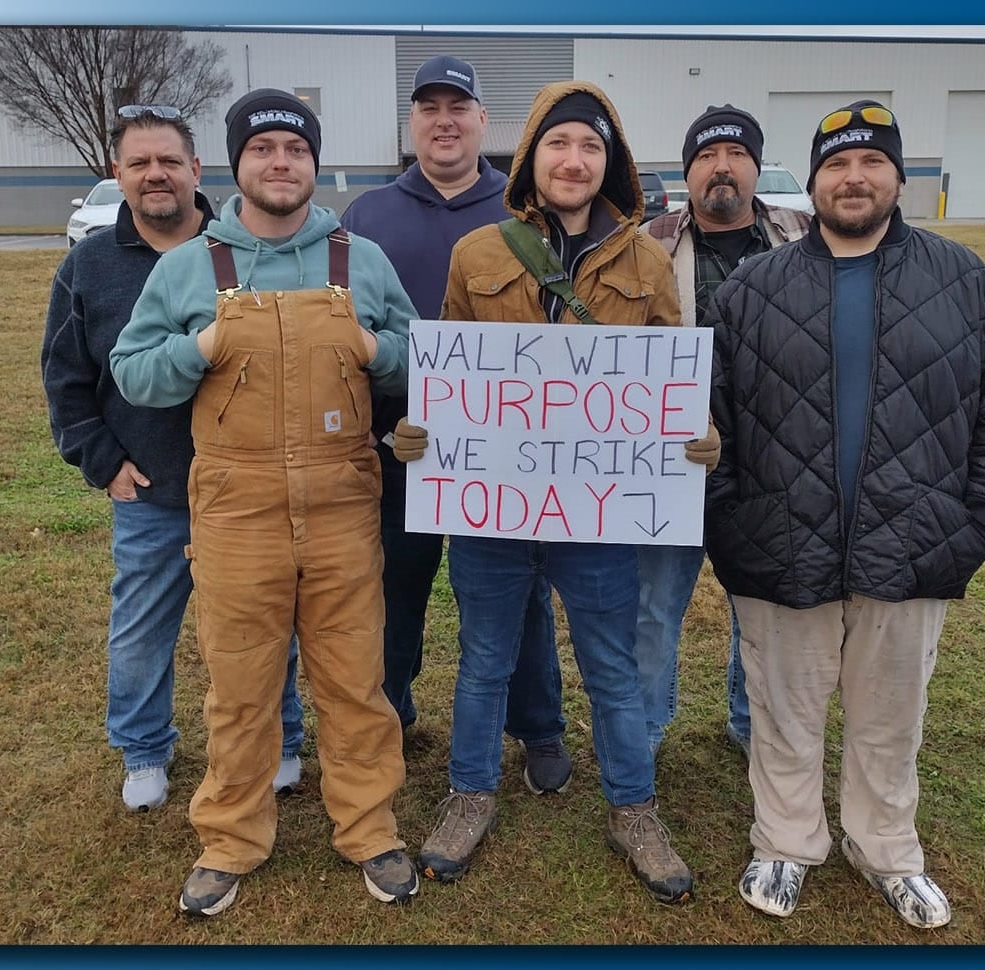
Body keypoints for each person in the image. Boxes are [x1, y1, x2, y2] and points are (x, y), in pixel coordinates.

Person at [703, 99, 985, 928]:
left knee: (892, 719)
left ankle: (885, 847)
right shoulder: (753, 288)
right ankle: (784, 843)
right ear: (813, 181)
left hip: (914, 545)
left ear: (897, 176)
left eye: (872, 162)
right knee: (784, 712)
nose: (854, 178)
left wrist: (977, 521)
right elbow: (709, 419)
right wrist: (730, 522)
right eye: (836, 165)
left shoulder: (965, 281)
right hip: (779, 546)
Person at [392, 81, 720, 905]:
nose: (574, 162)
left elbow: (669, 383)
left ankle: (634, 809)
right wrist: (423, 434)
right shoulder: (480, 254)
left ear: (609, 167)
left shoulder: (647, 259)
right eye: (559, 145)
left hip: (600, 516)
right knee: (483, 662)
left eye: (591, 149)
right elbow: (452, 379)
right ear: (532, 160)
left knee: (611, 665)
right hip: (492, 514)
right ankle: (469, 795)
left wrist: (696, 436)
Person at [110, 89, 419, 916]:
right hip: (235, 510)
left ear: (314, 164)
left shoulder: (361, 259)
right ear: (237, 164)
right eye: (263, 149)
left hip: (342, 504)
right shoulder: (187, 267)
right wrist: (201, 345)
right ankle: (230, 838)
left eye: (295, 149)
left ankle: (370, 828)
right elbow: (131, 370)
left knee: (355, 680)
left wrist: (375, 348)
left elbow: (425, 358)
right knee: (240, 686)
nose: (280, 163)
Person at [42, 105, 307, 814]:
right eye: (139, 164)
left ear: (197, 170)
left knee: (264, 625)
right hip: (154, 492)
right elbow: (66, 377)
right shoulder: (89, 268)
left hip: (253, 490)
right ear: (119, 176)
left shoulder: (253, 251)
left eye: (169, 161)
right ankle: (144, 749)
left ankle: (282, 739)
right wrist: (101, 462)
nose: (155, 175)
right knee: (141, 630)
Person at [339, 55, 571, 793]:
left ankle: (537, 728)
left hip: (503, 453)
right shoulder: (366, 216)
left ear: (482, 122)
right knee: (392, 587)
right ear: (412, 122)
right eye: (429, 107)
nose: (444, 120)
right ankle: (391, 713)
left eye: (458, 107)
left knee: (519, 593)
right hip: (395, 445)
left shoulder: (525, 212)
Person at [640, 105, 811, 760]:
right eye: (707, 156)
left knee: (762, 607)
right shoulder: (649, 241)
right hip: (670, 459)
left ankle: (751, 723)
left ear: (755, 166)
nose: (721, 166)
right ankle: (646, 729)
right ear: (688, 172)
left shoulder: (802, 235)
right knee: (653, 604)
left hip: (774, 456)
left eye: (736, 154)